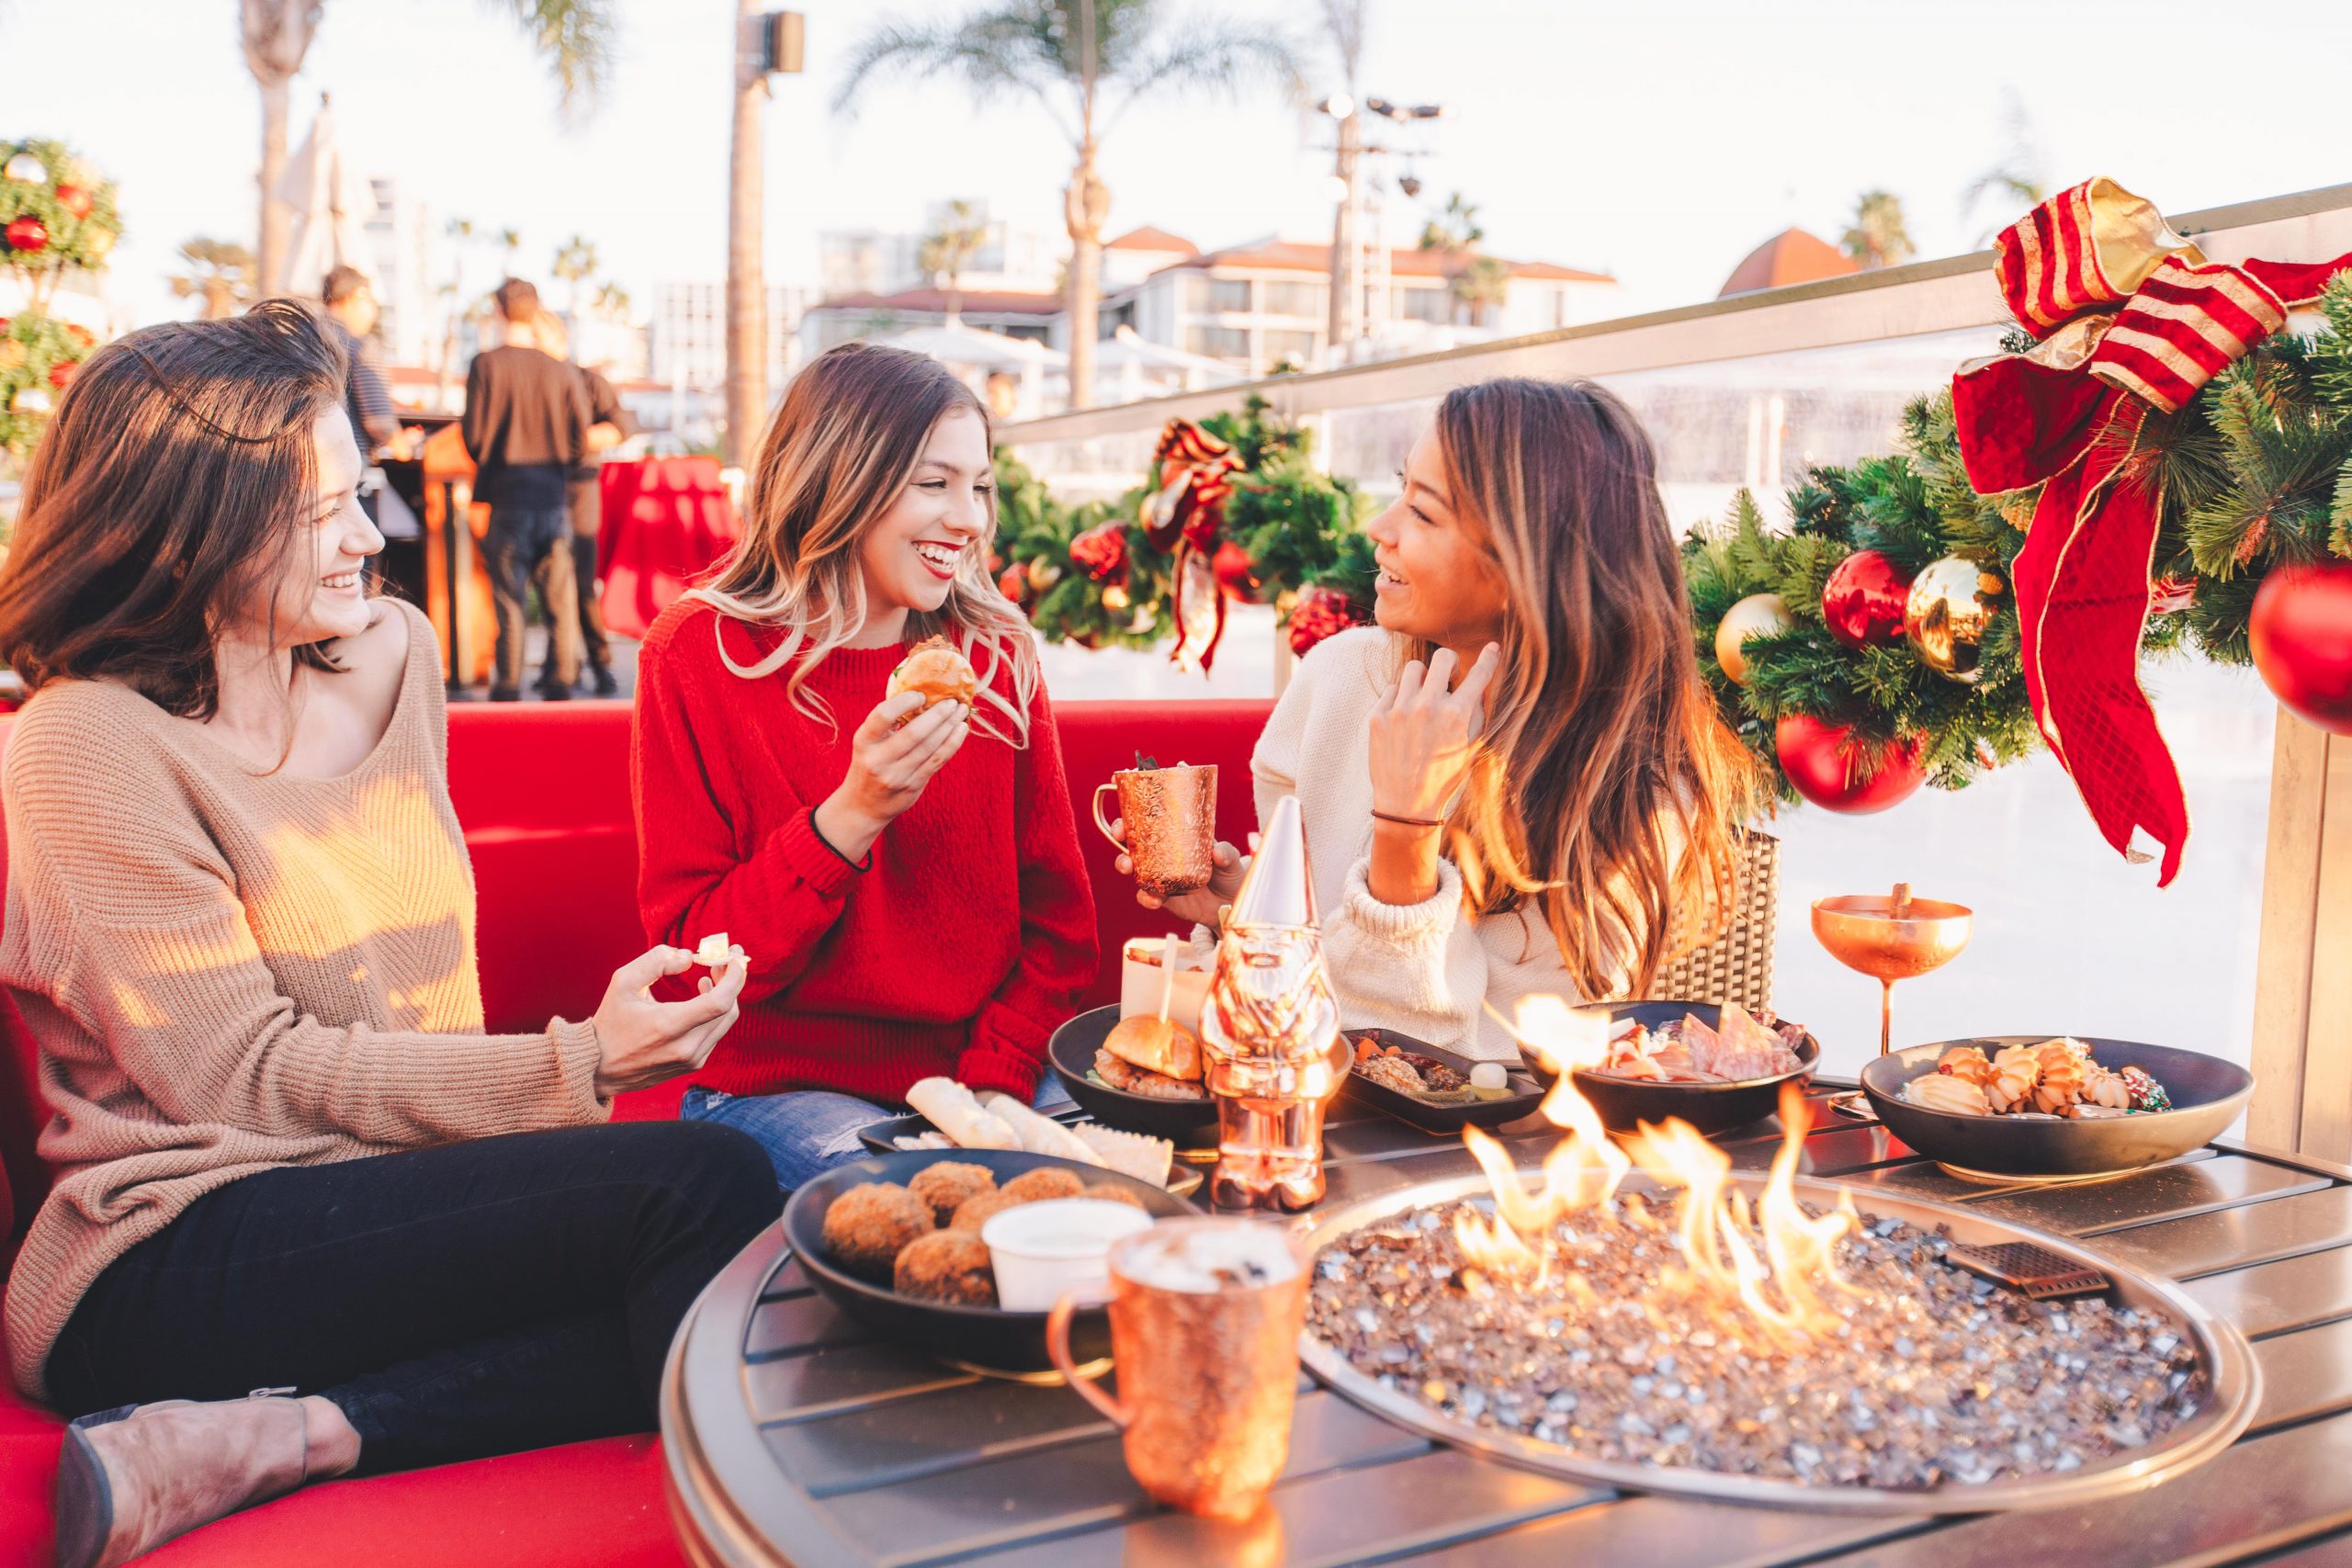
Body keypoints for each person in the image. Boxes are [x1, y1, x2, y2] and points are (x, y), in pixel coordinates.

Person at [0, 302, 771, 1568]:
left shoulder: (395, 654)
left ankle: (296, 1432)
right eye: (324, 514)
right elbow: (242, 1074)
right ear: (189, 522)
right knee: (703, 1190)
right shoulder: (89, 739)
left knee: (742, 1234)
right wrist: (583, 1066)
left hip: (380, 1200)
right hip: (174, 1239)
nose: (375, 535)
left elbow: (427, 994)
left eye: (365, 492)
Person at [1117, 378, 1758, 1058]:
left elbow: (1459, 1064)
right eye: (1401, 491)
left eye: (1422, 514)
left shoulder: (1636, 792)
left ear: (1521, 565)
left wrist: (1406, 833)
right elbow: (1297, 993)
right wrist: (1246, 906)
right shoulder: (1340, 679)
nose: (1380, 528)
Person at [631, 341, 1097, 1190]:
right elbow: (691, 966)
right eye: (934, 483)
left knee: (1116, 1186)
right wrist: (852, 816)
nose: (970, 519)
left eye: (979, 487)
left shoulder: (995, 654)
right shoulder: (700, 653)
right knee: (923, 1214)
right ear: (840, 480)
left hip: (988, 1071)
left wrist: (985, 1096)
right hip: (784, 1087)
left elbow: (1059, 930)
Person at [461, 277, 586, 701]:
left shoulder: (485, 365)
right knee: (560, 602)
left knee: (509, 600)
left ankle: (509, 684)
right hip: (552, 498)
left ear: (498, 311)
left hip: (506, 499)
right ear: (536, 312)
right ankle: (561, 680)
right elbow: (579, 441)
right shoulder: (562, 370)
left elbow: (474, 439)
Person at [530, 313, 633, 696]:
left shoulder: (589, 380)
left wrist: (575, 437)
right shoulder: (531, 383)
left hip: (578, 488)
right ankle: (559, 664)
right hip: (538, 487)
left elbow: (620, 426)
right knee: (547, 581)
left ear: (556, 339)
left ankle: (600, 662)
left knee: (582, 581)